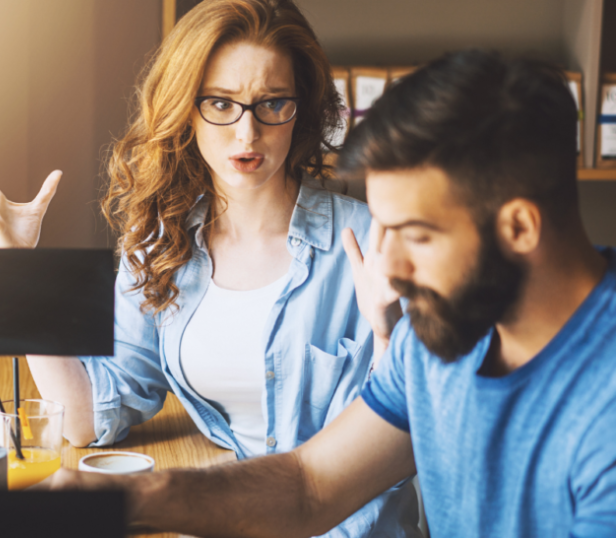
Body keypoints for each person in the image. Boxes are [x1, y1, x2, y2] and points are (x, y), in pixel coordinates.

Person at [36, 49, 616, 538]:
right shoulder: (440, 334)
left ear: (518, 228)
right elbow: (310, 486)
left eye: (414, 234)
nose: (385, 264)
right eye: (381, 226)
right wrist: (132, 497)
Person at [0, 0, 418, 536]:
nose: (247, 133)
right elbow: (90, 416)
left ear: (301, 109)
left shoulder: (376, 242)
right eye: (221, 103)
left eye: (272, 103)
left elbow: (402, 432)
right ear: (186, 107)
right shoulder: (160, 246)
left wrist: (391, 336)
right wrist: (19, 269)